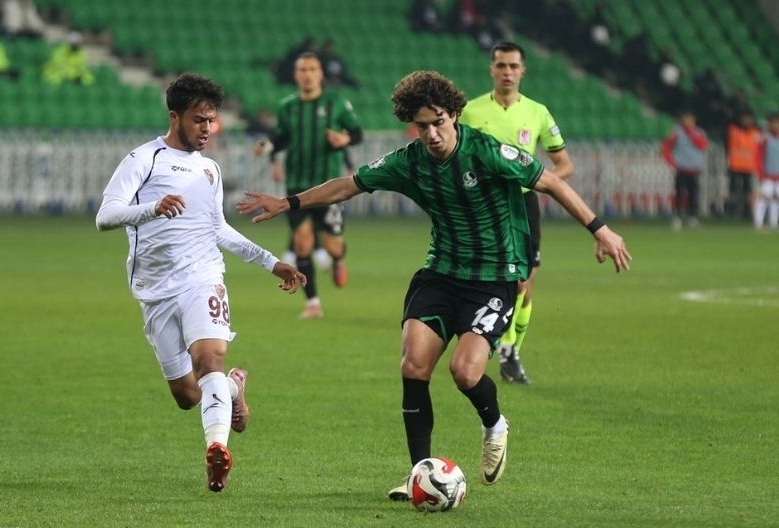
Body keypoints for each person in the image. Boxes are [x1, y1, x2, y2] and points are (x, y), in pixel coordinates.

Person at [237, 70, 631, 501]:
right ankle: (418, 476)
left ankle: (495, 424)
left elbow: (550, 182)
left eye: (438, 122)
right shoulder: (409, 162)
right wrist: (288, 202)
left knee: (464, 372)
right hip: (440, 273)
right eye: (422, 126)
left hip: (494, 278)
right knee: (413, 367)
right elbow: (348, 186)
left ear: (454, 115)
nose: (432, 134)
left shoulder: (486, 152)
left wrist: (601, 230)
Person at [95, 72, 306, 493]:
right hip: (155, 289)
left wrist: (271, 262)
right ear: (175, 117)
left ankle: (216, 451)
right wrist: (152, 208)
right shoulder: (143, 160)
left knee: (210, 360)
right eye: (199, 120)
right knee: (187, 396)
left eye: (212, 120)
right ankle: (233, 388)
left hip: (203, 278)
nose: (208, 128)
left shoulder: (210, 169)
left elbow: (217, 229)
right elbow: (105, 216)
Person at [459, 41, 575, 385]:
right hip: (482, 206)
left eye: (513, 66)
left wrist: (539, 180)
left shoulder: (537, 113)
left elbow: (564, 164)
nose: (507, 72)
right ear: (491, 69)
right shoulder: (470, 112)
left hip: (523, 205)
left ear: (523, 71)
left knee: (524, 284)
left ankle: (510, 351)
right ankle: (488, 345)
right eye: (501, 65)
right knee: (487, 279)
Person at [253, 52, 363, 319]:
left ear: (320, 73)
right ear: (296, 74)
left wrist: (344, 139)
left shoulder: (336, 102)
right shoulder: (287, 107)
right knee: (302, 243)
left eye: (312, 69)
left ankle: (337, 259)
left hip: (329, 188)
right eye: (302, 70)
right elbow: (280, 138)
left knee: (333, 246)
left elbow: (357, 133)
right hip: (296, 186)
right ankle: (313, 302)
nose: (307, 74)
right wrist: (267, 148)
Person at [661, 109, 709, 230]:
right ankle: (677, 217)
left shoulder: (699, 132)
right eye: (686, 120)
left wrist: (693, 135)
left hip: (694, 168)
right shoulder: (677, 133)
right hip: (682, 167)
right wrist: (671, 161)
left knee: (694, 195)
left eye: (690, 120)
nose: (688, 122)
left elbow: (703, 145)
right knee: (679, 194)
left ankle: (692, 217)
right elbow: (666, 146)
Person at [725, 110, 761, 220]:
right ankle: (732, 211)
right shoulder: (733, 130)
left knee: (748, 191)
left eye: (748, 119)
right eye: (744, 118)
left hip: (749, 166)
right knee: (733, 190)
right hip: (735, 165)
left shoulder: (756, 133)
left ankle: (747, 211)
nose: (746, 121)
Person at [754, 112, 779, 231]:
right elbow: (758, 156)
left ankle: (773, 223)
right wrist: (761, 172)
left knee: (776, 200)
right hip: (767, 174)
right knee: (763, 198)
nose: (776, 125)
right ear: (769, 124)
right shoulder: (764, 137)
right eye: (773, 123)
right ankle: (758, 223)